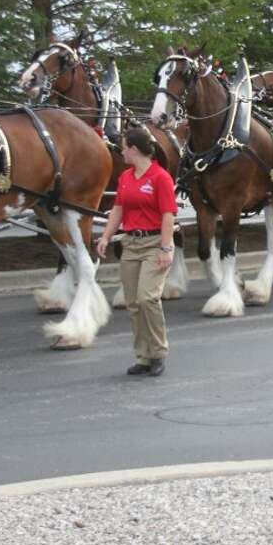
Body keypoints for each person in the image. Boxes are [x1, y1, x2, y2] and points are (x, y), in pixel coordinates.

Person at [96, 127, 177, 377]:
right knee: (133, 303)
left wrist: (166, 247)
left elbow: (168, 215)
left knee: (147, 298)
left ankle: (158, 353)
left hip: (155, 244)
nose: (121, 152)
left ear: (133, 149)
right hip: (131, 244)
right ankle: (143, 356)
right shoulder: (126, 177)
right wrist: (106, 236)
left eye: (123, 147)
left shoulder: (160, 177)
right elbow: (118, 209)